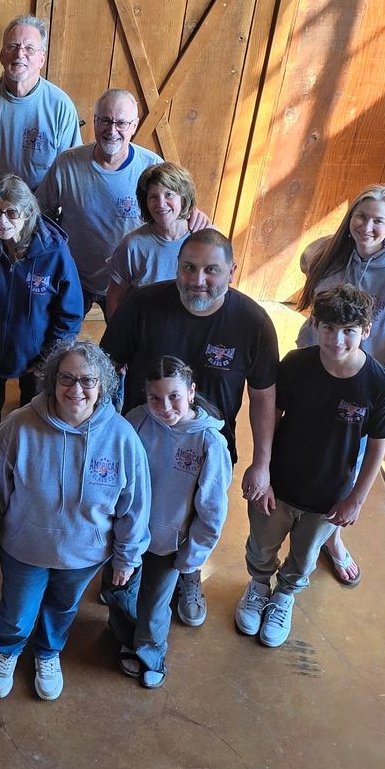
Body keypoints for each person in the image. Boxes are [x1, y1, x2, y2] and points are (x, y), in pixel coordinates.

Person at [100, 229, 278, 629]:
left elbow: (265, 397)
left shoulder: (252, 322)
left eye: (211, 270)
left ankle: (189, 572)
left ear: (232, 271)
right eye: (189, 268)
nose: (198, 280)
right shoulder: (143, 304)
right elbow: (106, 368)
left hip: (206, 450)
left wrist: (261, 464)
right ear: (176, 267)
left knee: (194, 514)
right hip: (141, 442)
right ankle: (121, 563)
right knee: (130, 507)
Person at [0, 340, 150, 702]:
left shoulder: (122, 438)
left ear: (102, 386)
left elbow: (135, 505)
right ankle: (8, 650)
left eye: (87, 380)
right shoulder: (18, 426)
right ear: (52, 381)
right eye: (66, 378)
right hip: (25, 547)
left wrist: (127, 557)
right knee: (18, 609)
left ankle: (47, 653)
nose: (76, 389)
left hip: (84, 554)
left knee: (62, 608)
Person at [238, 284, 385, 648]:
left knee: (305, 554)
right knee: (262, 544)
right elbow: (270, 415)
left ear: (366, 330)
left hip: (328, 496)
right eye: (327, 328)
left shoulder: (380, 386)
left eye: (348, 331)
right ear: (314, 325)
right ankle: (259, 586)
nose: (336, 340)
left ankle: (284, 597)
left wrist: (356, 498)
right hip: (279, 485)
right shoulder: (296, 366)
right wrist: (261, 469)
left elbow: (378, 446)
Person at [294, 184, 385, 588]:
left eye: (377, 221)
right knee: (308, 451)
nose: (367, 226)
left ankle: (332, 538)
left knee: (344, 466)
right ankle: (302, 522)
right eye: (360, 216)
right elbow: (310, 272)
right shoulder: (337, 253)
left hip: (360, 387)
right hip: (318, 371)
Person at [104, 359, 230, 689]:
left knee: (153, 604)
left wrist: (192, 557)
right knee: (117, 592)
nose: (165, 407)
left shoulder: (209, 444)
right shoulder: (135, 422)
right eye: (155, 398)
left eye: (174, 396)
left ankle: (150, 652)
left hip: (167, 545)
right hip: (126, 535)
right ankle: (126, 637)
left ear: (191, 392)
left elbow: (212, 510)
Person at [33, 89, 164, 314]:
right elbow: (40, 213)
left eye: (121, 123)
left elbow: (172, 214)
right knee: (61, 344)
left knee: (121, 347)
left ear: (134, 126)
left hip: (127, 281)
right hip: (74, 277)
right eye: (105, 120)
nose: (112, 130)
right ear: (94, 121)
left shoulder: (152, 167)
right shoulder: (67, 163)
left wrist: (196, 217)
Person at [0, 177, 83, 446]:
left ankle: (24, 451)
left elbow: (69, 313)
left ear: (28, 214)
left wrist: (49, 357)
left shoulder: (55, 253)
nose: (2, 221)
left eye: (11, 212)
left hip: (35, 355)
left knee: (32, 410)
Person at [0, 15, 82, 193]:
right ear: (2, 55)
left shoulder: (61, 107)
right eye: (12, 46)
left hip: (41, 209)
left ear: (41, 59)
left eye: (29, 48)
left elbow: (69, 169)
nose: (20, 54)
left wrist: (38, 207)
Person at [103, 162, 197, 319]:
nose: (161, 204)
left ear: (183, 198)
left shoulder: (205, 240)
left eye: (169, 194)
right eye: (153, 197)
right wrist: (116, 336)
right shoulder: (132, 244)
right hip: (145, 330)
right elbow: (115, 298)